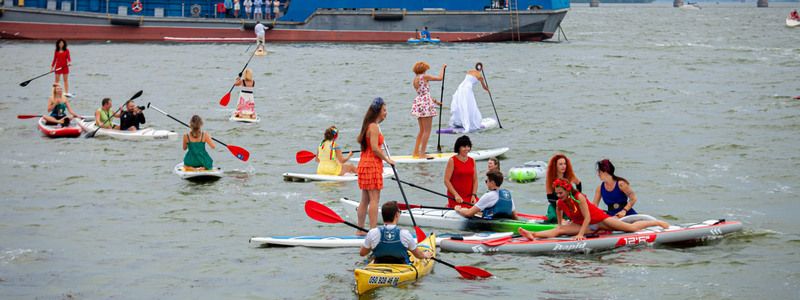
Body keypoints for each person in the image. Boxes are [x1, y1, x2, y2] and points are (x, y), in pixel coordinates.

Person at [518, 179, 669, 241]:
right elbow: (558, 210)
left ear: (567, 190)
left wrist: (580, 235)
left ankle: (656, 223)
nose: (558, 196)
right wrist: (560, 224)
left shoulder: (579, 197)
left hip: (598, 220)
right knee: (559, 230)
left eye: (560, 193)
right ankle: (533, 235)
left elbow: (588, 218)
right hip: (583, 224)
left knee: (629, 228)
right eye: (556, 193)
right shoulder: (560, 202)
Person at [356, 97, 395, 235]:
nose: (386, 113)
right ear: (378, 111)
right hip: (371, 164)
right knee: (374, 199)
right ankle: (373, 231)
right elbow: (374, 148)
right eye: (384, 110)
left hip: (365, 163)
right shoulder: (373, 127)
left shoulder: (369, 125)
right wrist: (387, 160)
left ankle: (360, 230)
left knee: (365, 200)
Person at [360, 201, 433, 264]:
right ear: (396, 215)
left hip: (379, 265)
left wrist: (373, 244)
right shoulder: (405, 234)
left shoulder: (373, 233)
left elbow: (362, 253)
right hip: (401, 267)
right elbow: (418, 255)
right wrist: (425, 255)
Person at [410, 61, 445, 159]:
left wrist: (435, 101)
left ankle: (416, 152)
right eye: (426, 70)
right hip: (425, 104)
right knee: (427, 131)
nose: (426, 72)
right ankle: (422, 153)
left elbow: (423, 93)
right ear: (423, 70)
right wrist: (443, 67)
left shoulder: (415, 79)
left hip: (420, 103)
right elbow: (440, 78)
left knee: (422, 131)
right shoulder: (423, 77)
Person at [544, 154, 582, 224]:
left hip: (568, 204)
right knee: (552, 218)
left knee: (574, 216)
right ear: (555, 166)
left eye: (564, 164)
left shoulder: (569, 176)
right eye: (560, 164)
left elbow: (578, 183)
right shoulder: (550, 179)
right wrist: (560, 206)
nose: (563, 166)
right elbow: (550, 199)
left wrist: (577, 198)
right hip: (555, 205)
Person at [448, 68, 489, 133]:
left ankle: (459, 122)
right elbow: (484, 87)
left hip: (460, 87)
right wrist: (488, 90)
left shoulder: (470, 71)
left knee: (461, 104)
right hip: (467, 89)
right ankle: (468, 123)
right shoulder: (480, 76)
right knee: (469, 105)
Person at [444, 135, 478, 208]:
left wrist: (474, 195)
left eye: (468, 146)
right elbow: (446, 180)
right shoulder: (452, 160)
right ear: (458, 148)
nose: (466, 149)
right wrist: (456, 195)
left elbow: (475, 180)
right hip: (456, 198)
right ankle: (449, 205)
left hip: (470, 197)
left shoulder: (472, 161)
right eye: (464, 147)